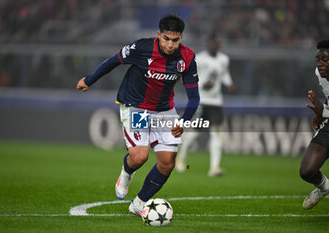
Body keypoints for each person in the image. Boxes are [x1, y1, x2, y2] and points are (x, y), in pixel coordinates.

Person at [76, 14, 200, 216]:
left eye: (175, 40)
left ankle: (139, 203)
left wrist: (184, 121)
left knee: (167, 162)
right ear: (158, 35)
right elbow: (113, 61)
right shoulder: (142, 48)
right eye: (166, 39)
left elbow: (194, 97)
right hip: (137, 106)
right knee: (140, 157)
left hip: (164, 110)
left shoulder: (187, 58)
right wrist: (89, 80)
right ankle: (126, 172)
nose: (170, 45)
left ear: (181, 38)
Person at [175, 34, 235, 177]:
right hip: (201, 101)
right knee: (194, 133)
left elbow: (224, 74)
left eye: (216, 43)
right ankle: (180, 159)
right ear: (208, 44)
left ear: (218, 44)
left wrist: (229, 83)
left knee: (216, 133)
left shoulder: (224, 59)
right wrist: (202, 85)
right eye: (211, 43)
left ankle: (214, 168)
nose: (214, 45)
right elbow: (191, 76)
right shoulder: (199, 59)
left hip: (216, 102)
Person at [299, 40, 329, 220]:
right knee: (307, 171)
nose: (320, 63)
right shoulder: (319, 74)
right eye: (318, 59)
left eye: (326, 59)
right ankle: (325, 186)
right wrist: (323, 113)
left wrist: (326, 112)